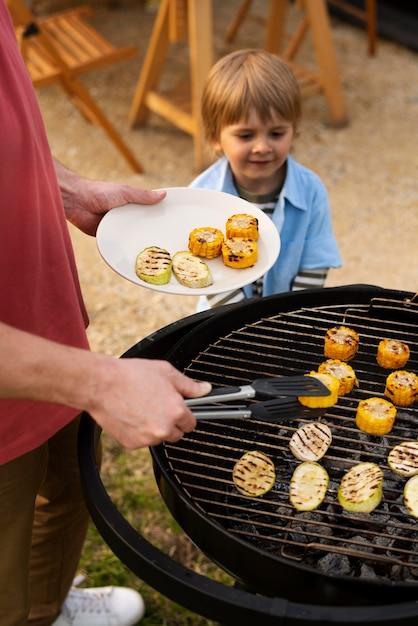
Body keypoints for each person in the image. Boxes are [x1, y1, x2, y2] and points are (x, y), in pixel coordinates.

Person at [0, 2, 211, 626]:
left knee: (65, 492)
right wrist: (100, 381)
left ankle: (47, 606)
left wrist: (59, 186)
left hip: (46, 331)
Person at [190, 49, 342, 310]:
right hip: (220, 316)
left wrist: (292, 316)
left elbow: (314, 266)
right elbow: (208, 273)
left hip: (286, 316)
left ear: (293, 131)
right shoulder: (201, 195)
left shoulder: (311, 191)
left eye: (276, 133)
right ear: (215, 137)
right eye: (246, 136)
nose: (262, 147)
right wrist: (241, 321)